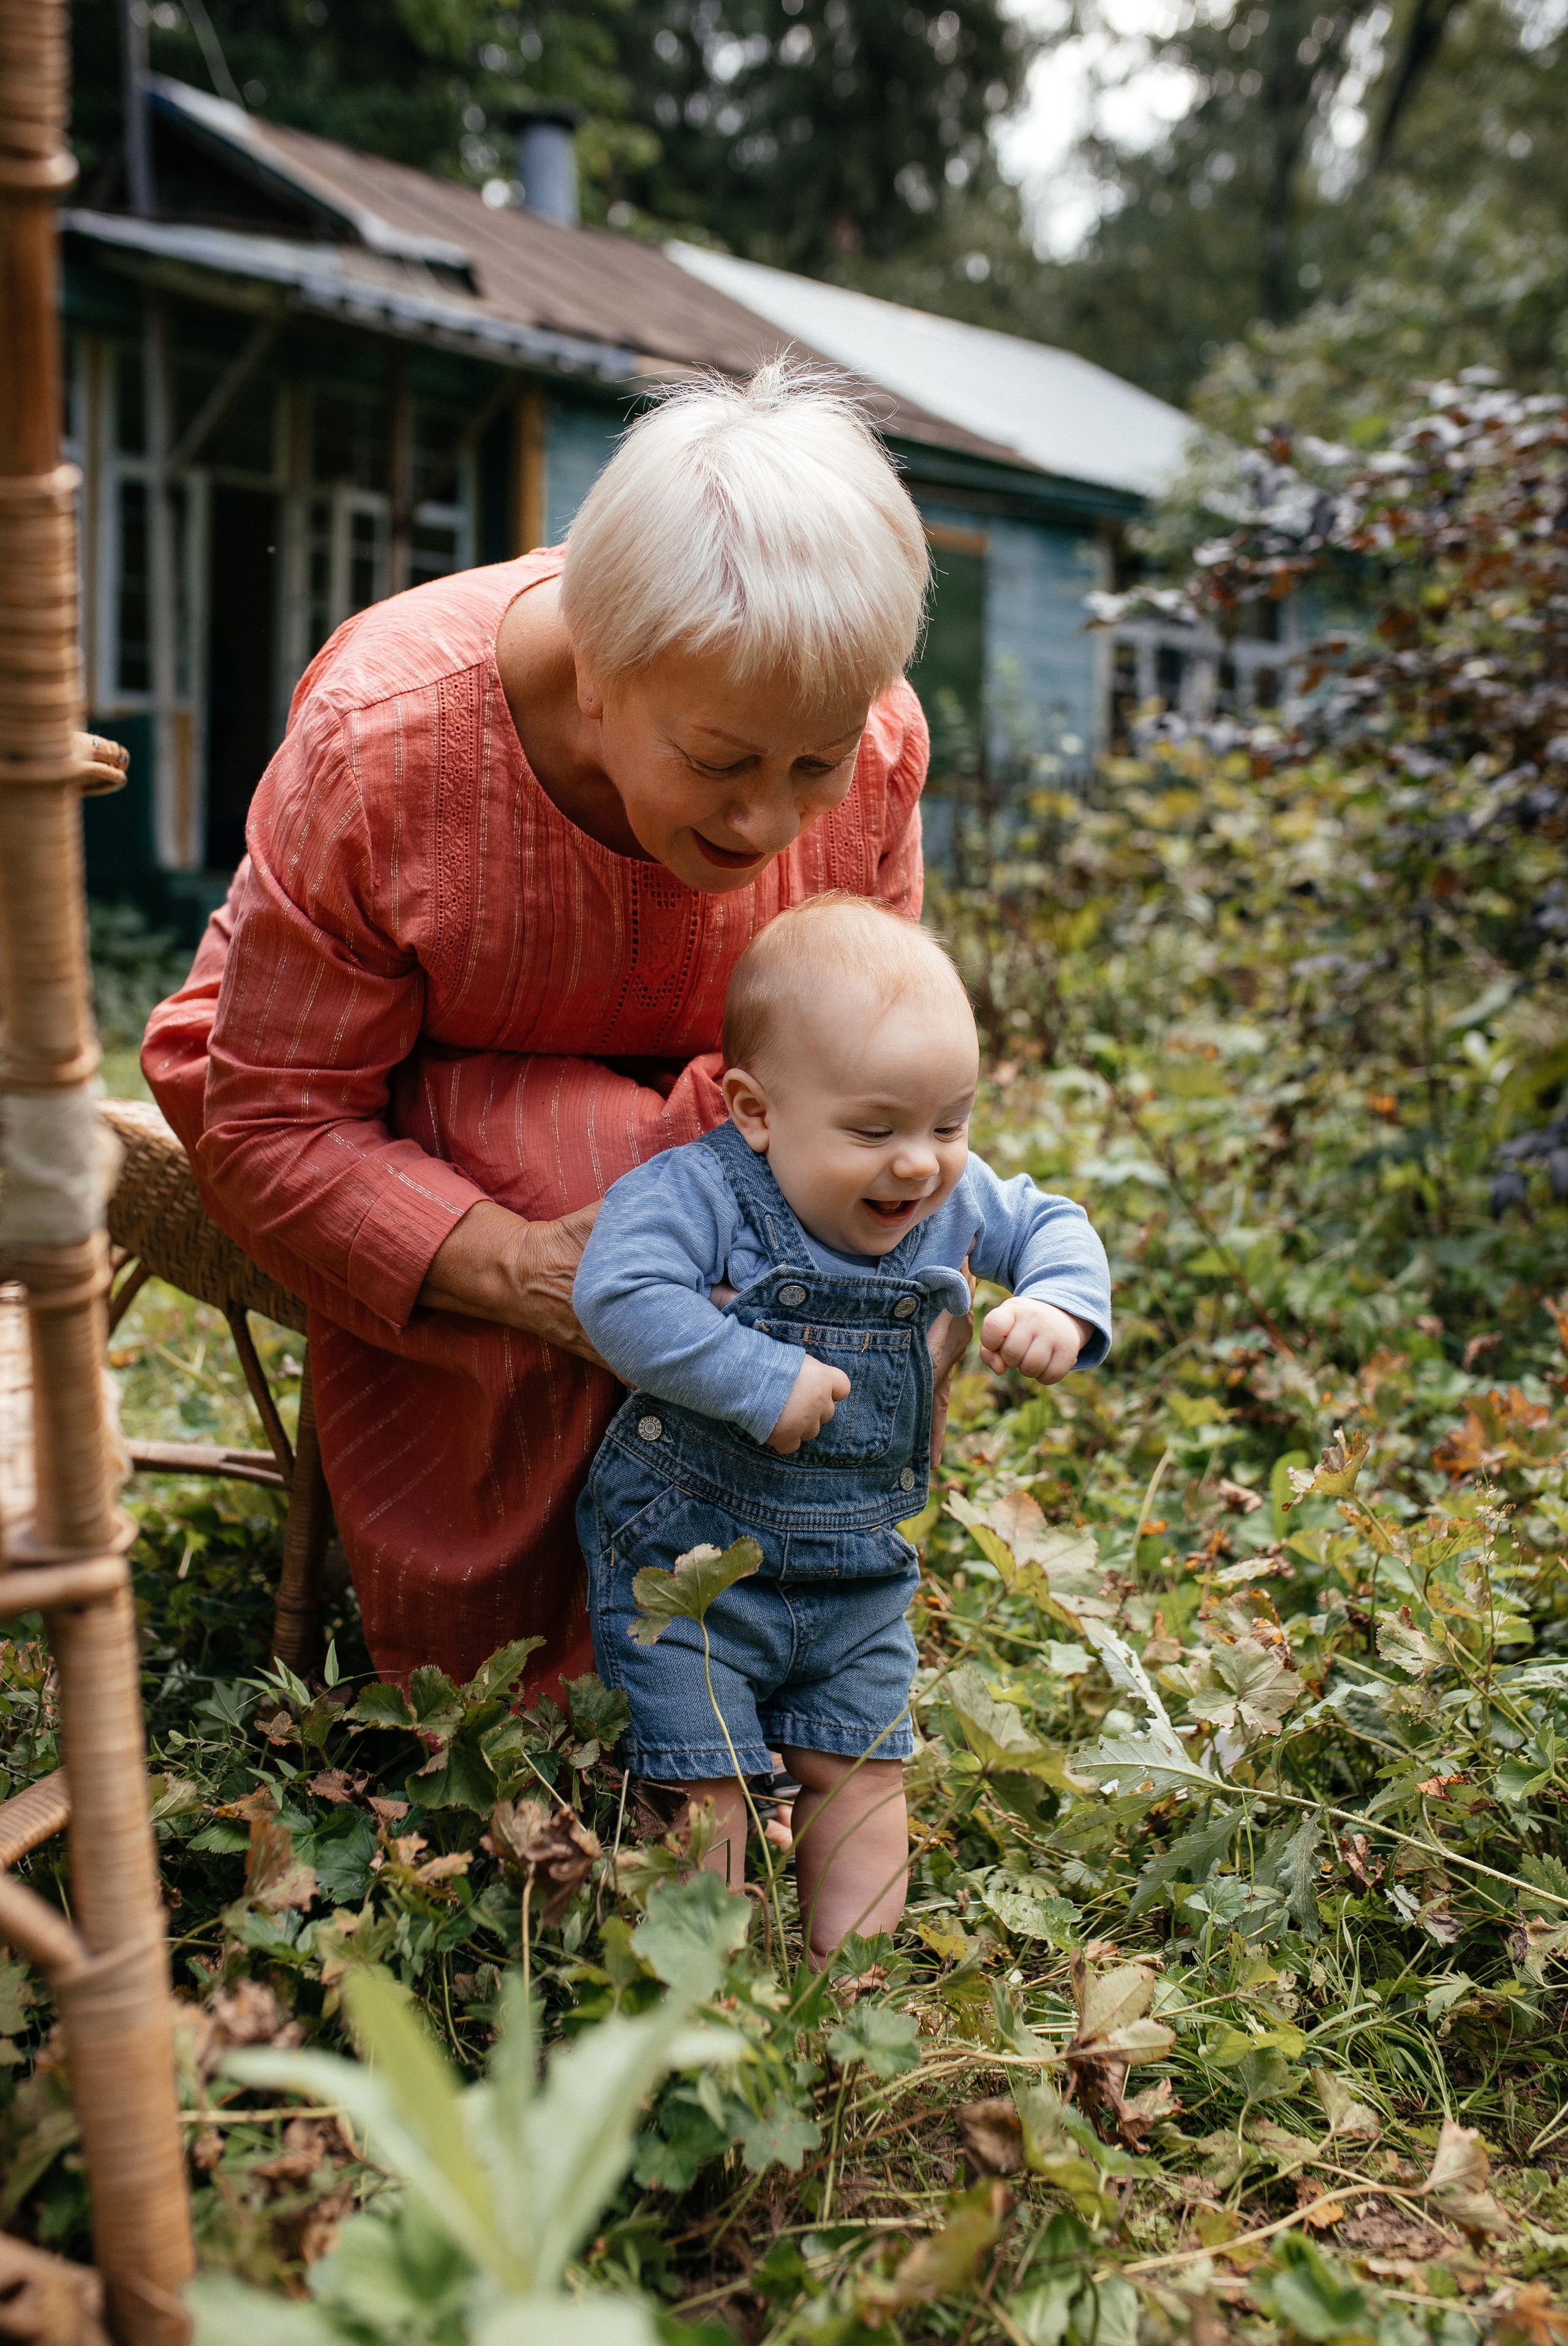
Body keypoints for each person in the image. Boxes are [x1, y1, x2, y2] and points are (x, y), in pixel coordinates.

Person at [141, 363, 950, 1699]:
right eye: (719, 760)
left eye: (812, 765)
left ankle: (769, 1616)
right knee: (592, 1181)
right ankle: (534, 1674)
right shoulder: (383, 744)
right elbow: (278, 1112)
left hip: (697, 1080)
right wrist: (537, 1269)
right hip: (368, 1072)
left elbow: (863, 1051)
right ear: (592, 675)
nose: (767, 824)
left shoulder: (865, 734)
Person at [573, 896, 1112, 1967]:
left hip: (862, 1575)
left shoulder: (947, 1203)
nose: (919, 1164)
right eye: (875, 1131)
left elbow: (1053, 1221)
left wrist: (1059, 1300)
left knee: (865, 1777)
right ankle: (703, 1992)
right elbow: (617, 1292)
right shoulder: (700, 1194)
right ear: (756, 1110)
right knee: (705, 1779)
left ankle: (843, 1996)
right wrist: (754, 1372)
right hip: (693, 1563)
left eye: (948, 1125)